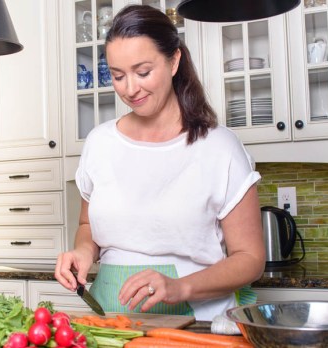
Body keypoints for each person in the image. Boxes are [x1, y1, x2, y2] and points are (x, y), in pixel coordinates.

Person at [54, 4, 266, 321]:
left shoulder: (219, 147)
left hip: (196, 320)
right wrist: (84, 252)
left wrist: (179, 287)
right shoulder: (100, 143)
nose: (130, 89)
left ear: (174, 61)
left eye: (143, 72)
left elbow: (250, 258)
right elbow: (88, 226)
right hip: (111, 320)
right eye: (118, 76)